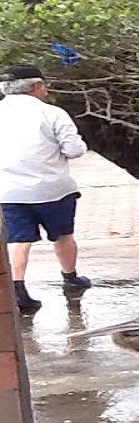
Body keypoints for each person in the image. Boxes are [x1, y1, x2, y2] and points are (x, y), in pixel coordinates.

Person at [0, 64, 92, 313]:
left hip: (8, 192)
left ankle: (18, 290)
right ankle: (71, 278)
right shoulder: (52, 113)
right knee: (63, 234)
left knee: (17, 240)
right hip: (52, 190)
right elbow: (73, 150)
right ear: (36, 86)